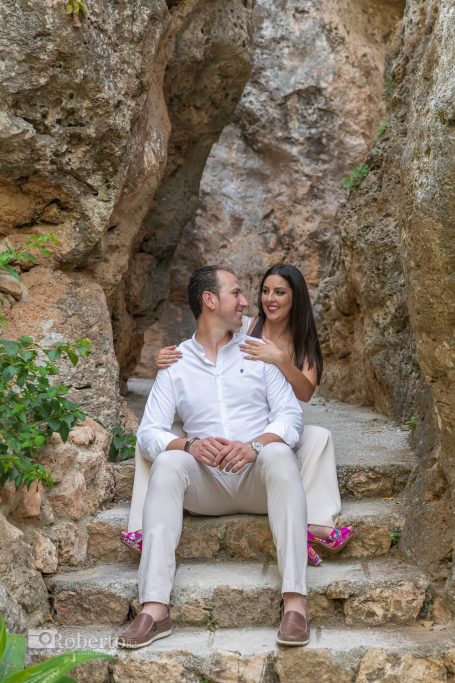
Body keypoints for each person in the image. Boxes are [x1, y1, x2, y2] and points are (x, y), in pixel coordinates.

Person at [117, 266, 309, 649]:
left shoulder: (258, 353)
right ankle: (154, 609)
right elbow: (149, 432)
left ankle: (295, 605)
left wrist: (254, 445)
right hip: (205, 486)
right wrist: (189, 446)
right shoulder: (176, 363)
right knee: (168, 461)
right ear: (209, 300)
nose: (245, 302)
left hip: (256, 480)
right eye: (235, 293)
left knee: (278, 454)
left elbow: (291, 418)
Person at [122, 264, 354, 566]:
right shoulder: (247, 325)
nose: (269, 299)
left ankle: (314, 523)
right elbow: (210, 331)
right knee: (157, 438)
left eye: (280, 292)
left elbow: (305, 393)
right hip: (214, 431)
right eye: (265, 291)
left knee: (317, 437)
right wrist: (164, 359)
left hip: (266, 429)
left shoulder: (302, 340)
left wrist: (280, 359)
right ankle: (143, 527)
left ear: (295, 298)